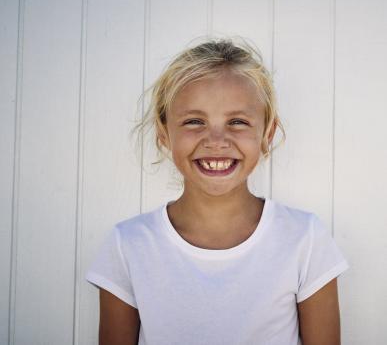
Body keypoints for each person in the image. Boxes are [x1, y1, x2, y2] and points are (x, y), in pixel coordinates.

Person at [85, 38, 349, 345]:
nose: (216, 140)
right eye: (194, 121)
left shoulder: (305, 238)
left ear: (267, 134)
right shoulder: (128, 245)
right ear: (163, 134)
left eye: (237, 122)